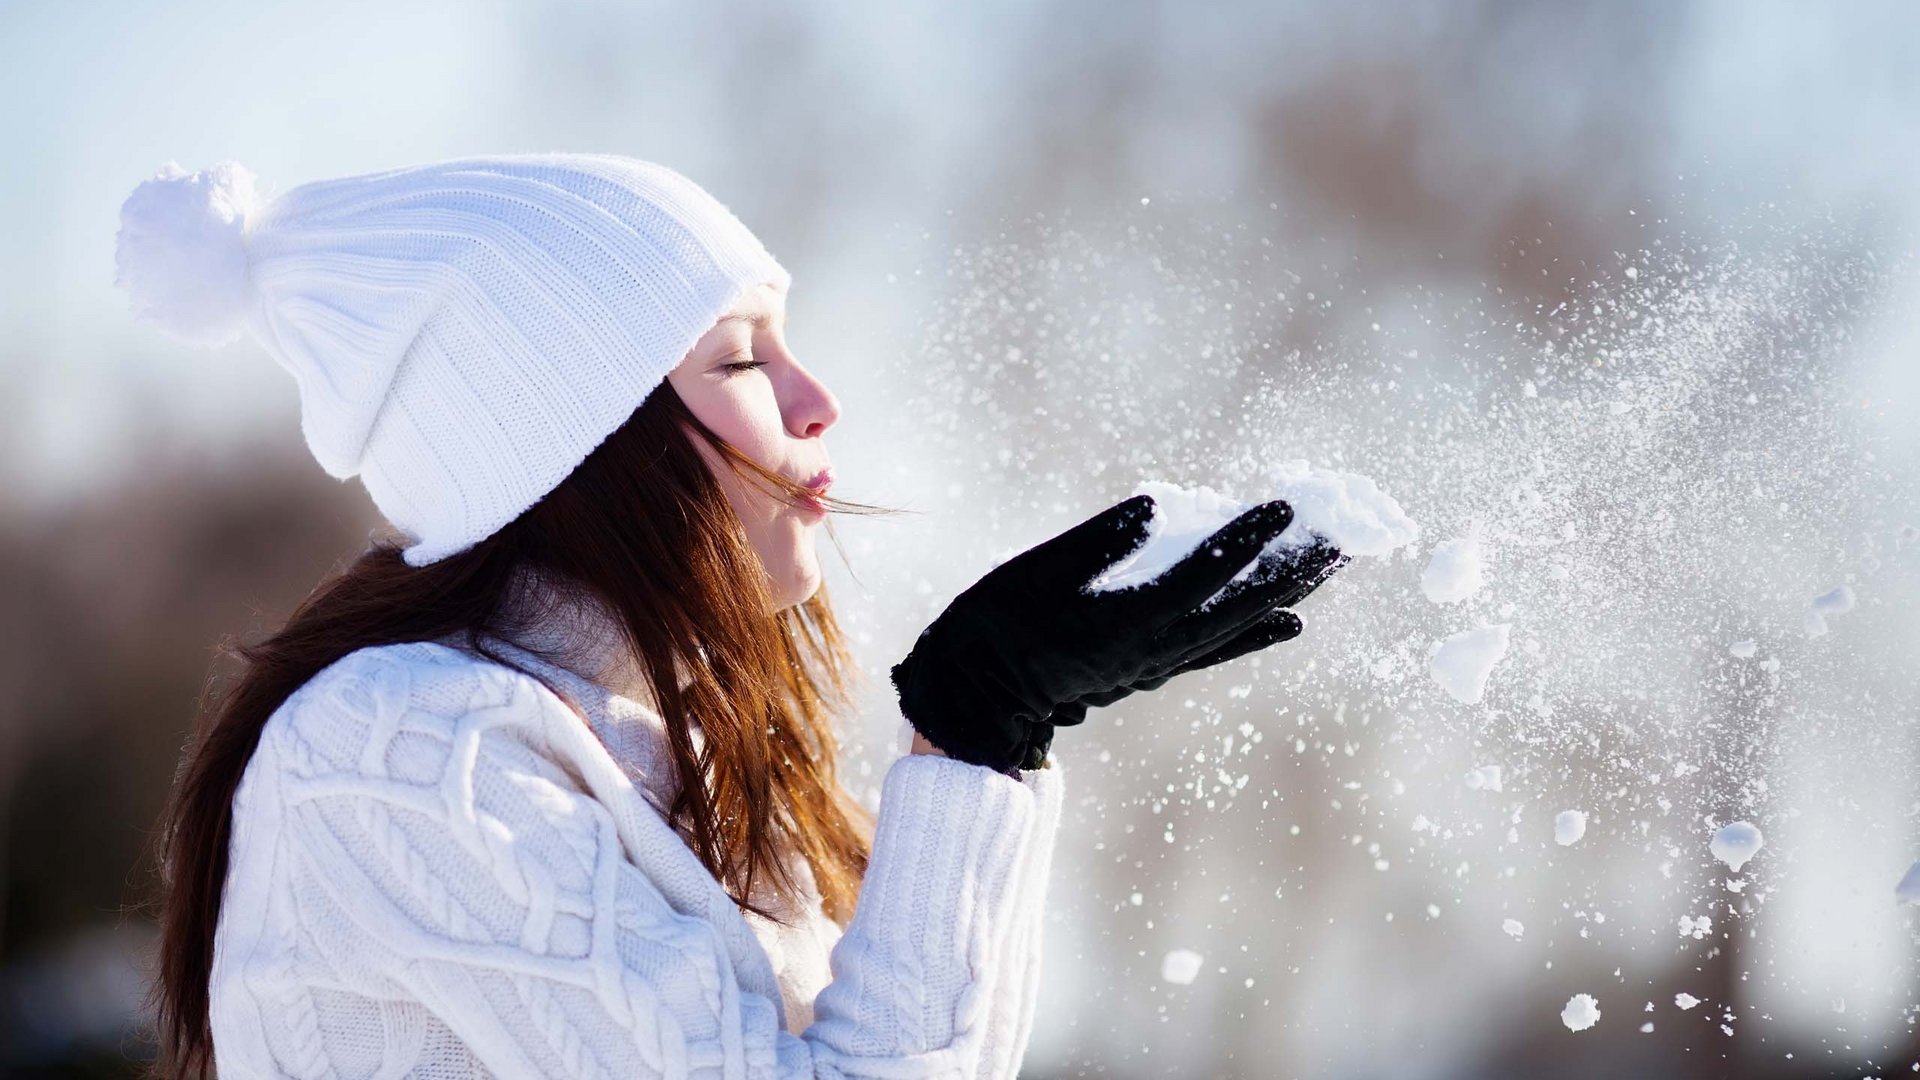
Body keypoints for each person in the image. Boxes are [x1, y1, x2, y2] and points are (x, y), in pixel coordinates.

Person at [113, 153, 1342, 1078]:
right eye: (742, 358)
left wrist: (995, 741)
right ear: (582, 437)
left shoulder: (675, 747)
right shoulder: (407, 755)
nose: (818, 402)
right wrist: (971, 734)